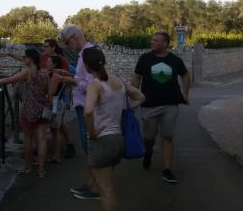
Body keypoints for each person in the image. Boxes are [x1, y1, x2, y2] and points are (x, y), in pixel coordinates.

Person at [75, 47, 145, 211]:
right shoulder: (118, 80)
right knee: (109, 188)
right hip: (118, 139)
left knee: (105, 191)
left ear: (86, 65)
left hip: (103, 141)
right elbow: (141, 97)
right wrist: (124, 110)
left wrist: (92, 132)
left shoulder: (95, 85)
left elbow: (88, 111)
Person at [0, 48, 57, 177]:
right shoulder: (44, 74)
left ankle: (27, 166)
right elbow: (50, 95)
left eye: (24, 57)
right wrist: (47, 104)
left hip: (28, 111)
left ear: (30, 59)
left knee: (28, 139)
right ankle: (41, 170)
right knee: (42, 140)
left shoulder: (27, 73)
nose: (23, 59)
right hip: (43, 109)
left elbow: (8, 80)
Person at [131, 30, 191, 184]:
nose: (152, 42)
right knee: (149, 137)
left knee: (168, 136)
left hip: (170, 104)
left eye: (156, 40)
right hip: (149, 105)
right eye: (152, 40)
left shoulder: (175, 60)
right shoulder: (145, 59)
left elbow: (185, 75)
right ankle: (148, 151)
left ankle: (167, 170)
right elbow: (136, 77)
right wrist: (133, 97)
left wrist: (185, 93)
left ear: (165, 43)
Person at [56, 24, 97, 198]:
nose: (67, 46)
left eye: (67, 42)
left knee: (91, 148)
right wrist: (70, 76)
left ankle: (97, 187)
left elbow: (92, 85)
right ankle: (93, 182)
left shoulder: (88, 53)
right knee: (89, 147)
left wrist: (71, 81)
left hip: (87, 105)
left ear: (74, 37)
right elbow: (85, 79)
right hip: (82, 105)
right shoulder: (84, 53)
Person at [43, 39, 76, 159]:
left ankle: (68, 145)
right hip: (54, 96)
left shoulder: (62, 60)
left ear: (53, 47)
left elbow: (69, 77)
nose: (44, 48)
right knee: (56, 124)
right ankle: (52, 150)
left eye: (46, 46)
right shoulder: (44, 58)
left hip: (58, 96)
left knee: (58, 124)